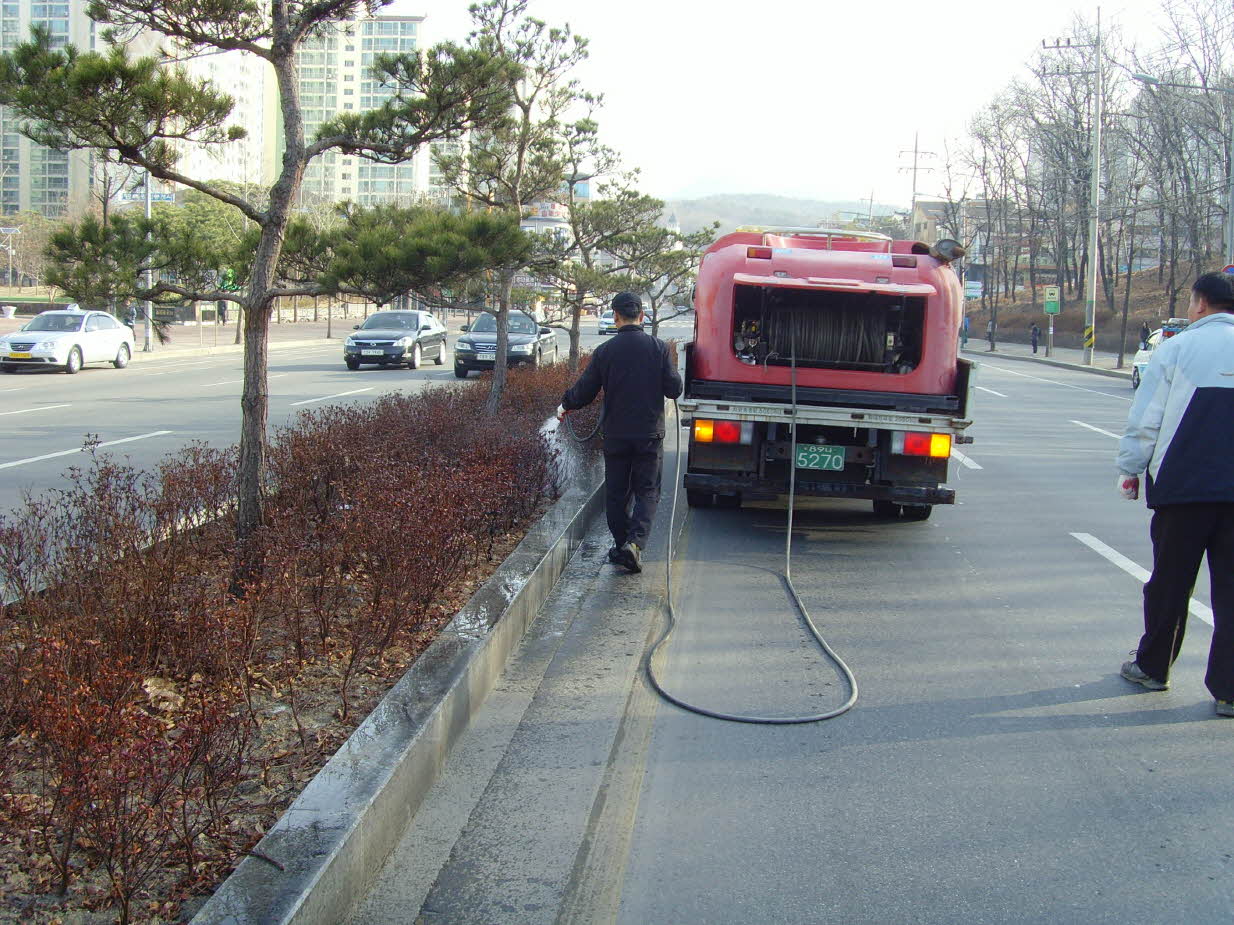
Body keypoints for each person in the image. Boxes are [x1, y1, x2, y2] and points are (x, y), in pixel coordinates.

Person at [1116, 271, 1234, 718]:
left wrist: (1129, 469)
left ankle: (1153, 667)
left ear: (1201, 303)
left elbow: (1146, 419)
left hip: (1183, 489)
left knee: (1170, 582)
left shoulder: (1177, 349)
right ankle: (1230, 690)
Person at [559, 291, 683, 573]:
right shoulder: (658, 348)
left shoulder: (605, 351)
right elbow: (674, 388)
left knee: (616, 494)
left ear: (615, 316)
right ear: (642, 316)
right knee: (647, 491)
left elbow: (585, 390)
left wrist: (565, 404)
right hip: (649, 435)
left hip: (616, 435)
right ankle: (634, 545)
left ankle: (621, 545)